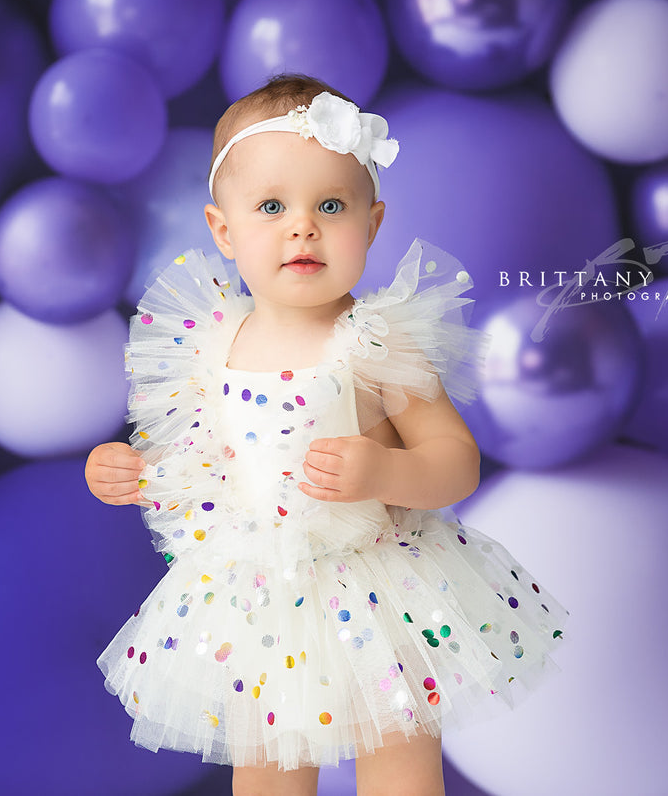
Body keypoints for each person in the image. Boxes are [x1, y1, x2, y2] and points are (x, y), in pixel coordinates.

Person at [85, 73, 565, 796]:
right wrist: (126, 467)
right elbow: (195, 464)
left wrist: (385, 472)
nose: (301, 226)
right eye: (271, 206)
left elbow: (456, 461)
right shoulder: (207, 344)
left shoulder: (374, 339)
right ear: (223, 229)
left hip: (377, 585)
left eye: (330, 205)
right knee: (269, 775)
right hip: (257, 597)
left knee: (399, 767)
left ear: (371, 225)